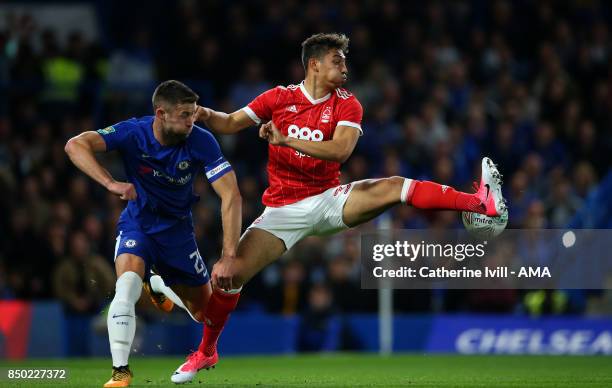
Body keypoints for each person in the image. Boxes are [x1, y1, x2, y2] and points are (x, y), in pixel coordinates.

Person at [165, 32, 506, 383]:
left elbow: (340, 150)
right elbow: (229, 123)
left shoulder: (347, 103)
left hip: (329, 200)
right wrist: (204, 113)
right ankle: (206, 352)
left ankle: (480, 202)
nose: (344, 66)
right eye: (337, 60)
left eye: (344, 60)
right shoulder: (278, 98)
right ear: (314, 64)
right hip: (282, 211)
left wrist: (286, 139)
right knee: (230, 275)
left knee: (393, 187)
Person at [64, 80, 242, 387]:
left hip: (178, 233)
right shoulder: (133, 133)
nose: (192, 120)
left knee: (204, 314)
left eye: (194, 113)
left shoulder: (201, 140)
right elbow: (74, 144)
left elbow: (232, 196)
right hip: (139, 224)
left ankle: (159, 287)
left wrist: (229, 255)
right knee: (127, 287)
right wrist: (110, 183)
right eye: (185, 114)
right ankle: (120, 371)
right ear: (161, 113)